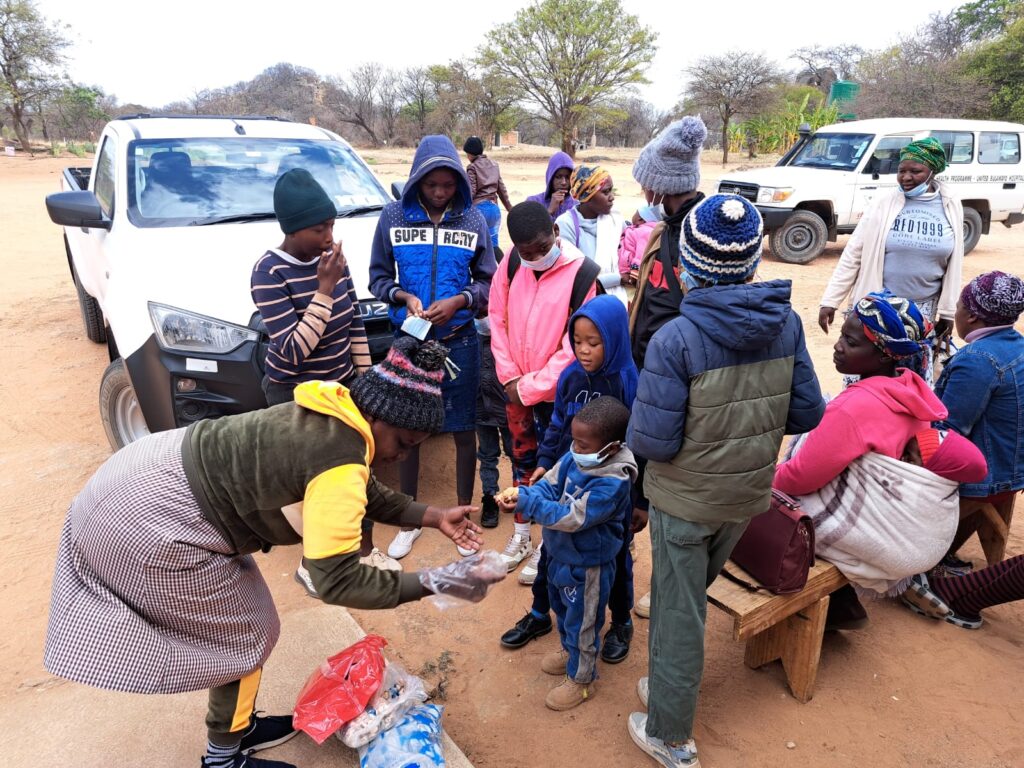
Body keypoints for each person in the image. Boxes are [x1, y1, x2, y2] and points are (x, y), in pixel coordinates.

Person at [43, 337, 501, 768]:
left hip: (140, 476)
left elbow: (361, 488)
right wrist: (437, 581)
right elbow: (336, 580)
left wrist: (430, 515)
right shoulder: (339, 460)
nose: (403, 457)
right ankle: (223, 757)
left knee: (250, 625)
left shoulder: (336, 410)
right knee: (242, 636)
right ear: (377, 417)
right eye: (404, 443)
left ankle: (237, 725)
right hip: (149, 522)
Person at [626, 194, 824, 768]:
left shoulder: (675, 340)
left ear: (687, 270)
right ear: (752, 265)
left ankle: (670, 734)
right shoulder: (785, 324)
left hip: (684, 503)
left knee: (679, 609)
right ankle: (667, 691)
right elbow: (806, 414)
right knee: (679, 600)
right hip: (745, 498)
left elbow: (654, 442)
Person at [251, 169, 399, 595]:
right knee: (311, 485)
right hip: (294, 397)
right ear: (293, 230)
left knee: (357, 471)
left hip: (340, 388)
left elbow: (353, 321)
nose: (329, 236)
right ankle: (313, 564)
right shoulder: (268, 273)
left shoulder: (334, 261)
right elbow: (295, 350)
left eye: (332, 225)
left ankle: (364, 551)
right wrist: (324, 287)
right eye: (319, 228)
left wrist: (366, 381)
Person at [774, 293, 948, 625]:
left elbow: (799, 478)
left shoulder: (856, 407)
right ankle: (842, 602)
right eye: (842, 335)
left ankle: (819, 605)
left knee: (757, 503)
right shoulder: (912, 389)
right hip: (892, 514)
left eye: (850, 342)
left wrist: (762, 483)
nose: (838, 345)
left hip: (859, 525)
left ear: (884, 354)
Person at [369, 135, 496, 560]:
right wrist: (404, 297)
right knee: (408, 431)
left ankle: (462, 515)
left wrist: (462, 300)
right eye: (431, 185)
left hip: (459, 342)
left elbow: (488, 280)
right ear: (416, 182)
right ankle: (410, 519)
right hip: (411, 340)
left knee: (462, 429)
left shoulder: (474, 220)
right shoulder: (392, 217)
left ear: (459, 182)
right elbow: (378, 277)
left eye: (447, 185)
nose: (440, 193)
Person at [501, 295, 640, 662]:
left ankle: (621, 621)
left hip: (609, 497)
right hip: (566, 482)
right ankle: (539, 615)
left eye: (593, 342)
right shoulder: (570, 376)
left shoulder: (628, 381)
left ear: (613, 338)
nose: (583, 350)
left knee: (614, 561)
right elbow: (558, 424)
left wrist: (640, 502)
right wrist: (545, 462)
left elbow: (639, 446)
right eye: (576, 341)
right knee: (553, 552)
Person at [498, 396, 637, 711]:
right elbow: (549, 484)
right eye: (574, 441)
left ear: (611, 448)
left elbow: (572, 517)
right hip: (560, 555)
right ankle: (568, 650)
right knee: (562, 609)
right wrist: (526, 493)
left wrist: (529, 505)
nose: (575, 449)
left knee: (584, 621)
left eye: (583, 445)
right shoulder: (576, 456)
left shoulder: (614, 482)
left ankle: (582, 678)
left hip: (588, 565)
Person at [625, 115, 709, 620]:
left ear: (661, 183)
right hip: (651, 373)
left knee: (667, 487)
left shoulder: (696, 233)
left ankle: (668, 584)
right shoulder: (668, 226)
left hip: (675, 380)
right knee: (650, 477)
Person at [818, 137, 965, 385]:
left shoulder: (951, 205)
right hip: (878, 309)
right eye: (901, 171)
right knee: (865, 375)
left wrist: (948, 312)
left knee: (911, 379)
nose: (906, 177)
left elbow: (954, 262)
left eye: (915, 171)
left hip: (923, 312)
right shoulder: (884, 203)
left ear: (933, 171)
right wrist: (830, 301)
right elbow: (854, 253)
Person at [929, 270, 1024, 586]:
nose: (954, 312)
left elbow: (949, 428)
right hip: (1011, 466)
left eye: (957, 305)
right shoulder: (1016, 346)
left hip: (992, 476)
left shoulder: (978, 359)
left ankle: (927, 562)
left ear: (970, 315)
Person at [555, 165, 626, 301]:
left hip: (617, 298)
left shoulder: (615, 219)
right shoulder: (566, 224)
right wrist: (618, 279)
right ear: (588, 196)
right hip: (586, 300)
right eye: (606, 192)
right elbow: (574, 275)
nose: (612, 198)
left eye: (612, 191)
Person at [475, 297, 512, 530]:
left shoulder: (507, 333)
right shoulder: (470, 337)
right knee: (487, 455)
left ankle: (522, 495)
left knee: (516, 453)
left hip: (508, 407)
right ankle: (490, 497)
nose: (483, 318)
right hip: (480, 407)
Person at [463, 135, 513, 250]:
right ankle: (503, 267)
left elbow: (472, 191)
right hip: (494, 210)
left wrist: (462, 209)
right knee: (493, 246)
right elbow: (501, 190)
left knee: (475, 246)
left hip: (480, 210)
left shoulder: (472, 167)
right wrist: (510, 208)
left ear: (470, 154)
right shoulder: (494, 165)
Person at [618, 194, 661, 286]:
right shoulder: (638, 229)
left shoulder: (644, 232)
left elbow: (641, 253)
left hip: (629, 272)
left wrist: (635, 273)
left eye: (635, 213)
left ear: (640, 219)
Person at [525, 150, 576, 220]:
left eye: (567, 177)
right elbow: (529, 229)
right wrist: (549, 211)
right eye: (558, 177)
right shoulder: (533, 202)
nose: (564, 182)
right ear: (550, 178)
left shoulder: (577, 206)